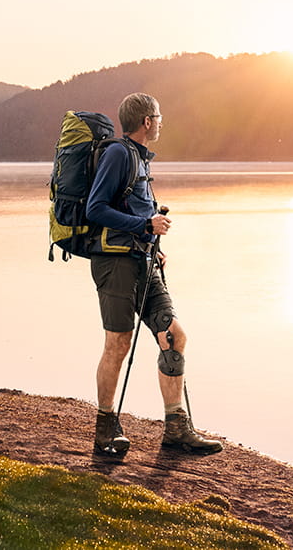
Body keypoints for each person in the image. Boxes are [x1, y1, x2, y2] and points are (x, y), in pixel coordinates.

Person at [86, 92, 222, 456]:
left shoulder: (140, 160)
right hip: (114, 263)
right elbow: (95, 208)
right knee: (118, 344)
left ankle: (176, 429)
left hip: (143, 261)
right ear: (147, 121)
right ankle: (105, 428)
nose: (161, 122)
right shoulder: (118, 154)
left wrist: (152, 243)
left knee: (174, 336)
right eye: (158, 117)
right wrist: (145, 223)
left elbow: (133, 208)